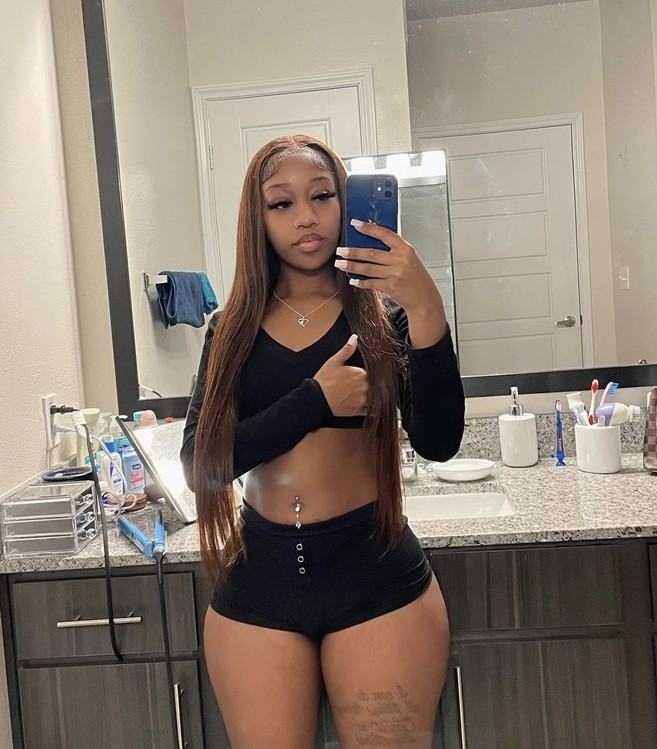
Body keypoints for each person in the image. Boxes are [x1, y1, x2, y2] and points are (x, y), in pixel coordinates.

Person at [181, 134, 465, 749]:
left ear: (345, 203)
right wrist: (314, 401)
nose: (305, 217)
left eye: (322, 196)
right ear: (257, 220)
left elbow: (440, 442)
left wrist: (426, 307)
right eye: (281, 203)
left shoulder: (385, 318)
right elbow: (202, 467)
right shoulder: (230, 331)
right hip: (258, 586)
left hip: (375, 580)